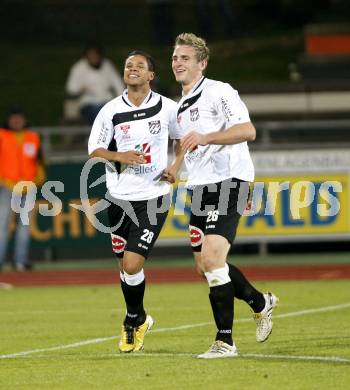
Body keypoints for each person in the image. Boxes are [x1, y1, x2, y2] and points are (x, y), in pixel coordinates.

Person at [169, 33, 278, 358]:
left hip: (229, 178)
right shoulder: (180, 106)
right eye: (175, 57)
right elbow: (185, 143)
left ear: (202, 63)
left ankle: (225, 341)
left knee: (214, 259)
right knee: (204, 266)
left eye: (185, 58)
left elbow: (247, 130)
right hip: (200, 185)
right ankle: (260, 301)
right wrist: (175, 166)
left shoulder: (220, 91)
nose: (177, 63)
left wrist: (208, 136)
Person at [88, 50, 181, 353]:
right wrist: (119, 156)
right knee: (124, 268)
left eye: (139, 66)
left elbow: (184, 141)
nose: (132, 69)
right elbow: (95, 149)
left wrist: (176, 168)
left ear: (151, 75)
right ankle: (140, 316)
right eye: (128, 65)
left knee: (131, 263)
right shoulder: (110, 110)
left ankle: (132, 321)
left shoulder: (168, 108)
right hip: (117, 197)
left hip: (153, 197)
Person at [0, 108, 46, 272]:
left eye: (20, 118)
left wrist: (40, 178)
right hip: (7, 185)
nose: (17, 121)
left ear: (25, 120)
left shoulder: (33, 137)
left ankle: (20, 261)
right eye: (14, 119)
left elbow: (39, 161)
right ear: (9, 121)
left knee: (24, 226)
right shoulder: (2, 135)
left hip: (28, 186)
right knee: (2, 225)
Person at [66, 44, 125, 124]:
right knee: (99, 114)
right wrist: (83, 88)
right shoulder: (79, 67)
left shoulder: (107, 65)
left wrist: (122, 101)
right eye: (91, 55)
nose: (93, 57)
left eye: (95, 55)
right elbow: (71, 88)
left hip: (107, 101)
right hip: (88, 103)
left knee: (113, 113)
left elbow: (118, 84)